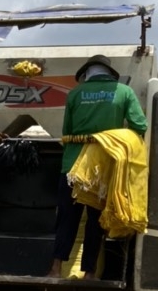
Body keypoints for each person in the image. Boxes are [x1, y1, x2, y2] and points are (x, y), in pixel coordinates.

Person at [48, 55, 147, 278]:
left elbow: (68, 130)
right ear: (109, 73)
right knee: (95, 221)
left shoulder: (74, 94)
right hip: (102, 168)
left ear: (85, 74)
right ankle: (89, 274)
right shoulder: (124, 92)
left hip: (72, 167)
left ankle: (55, 269)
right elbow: (140, 125)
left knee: (66, 220)